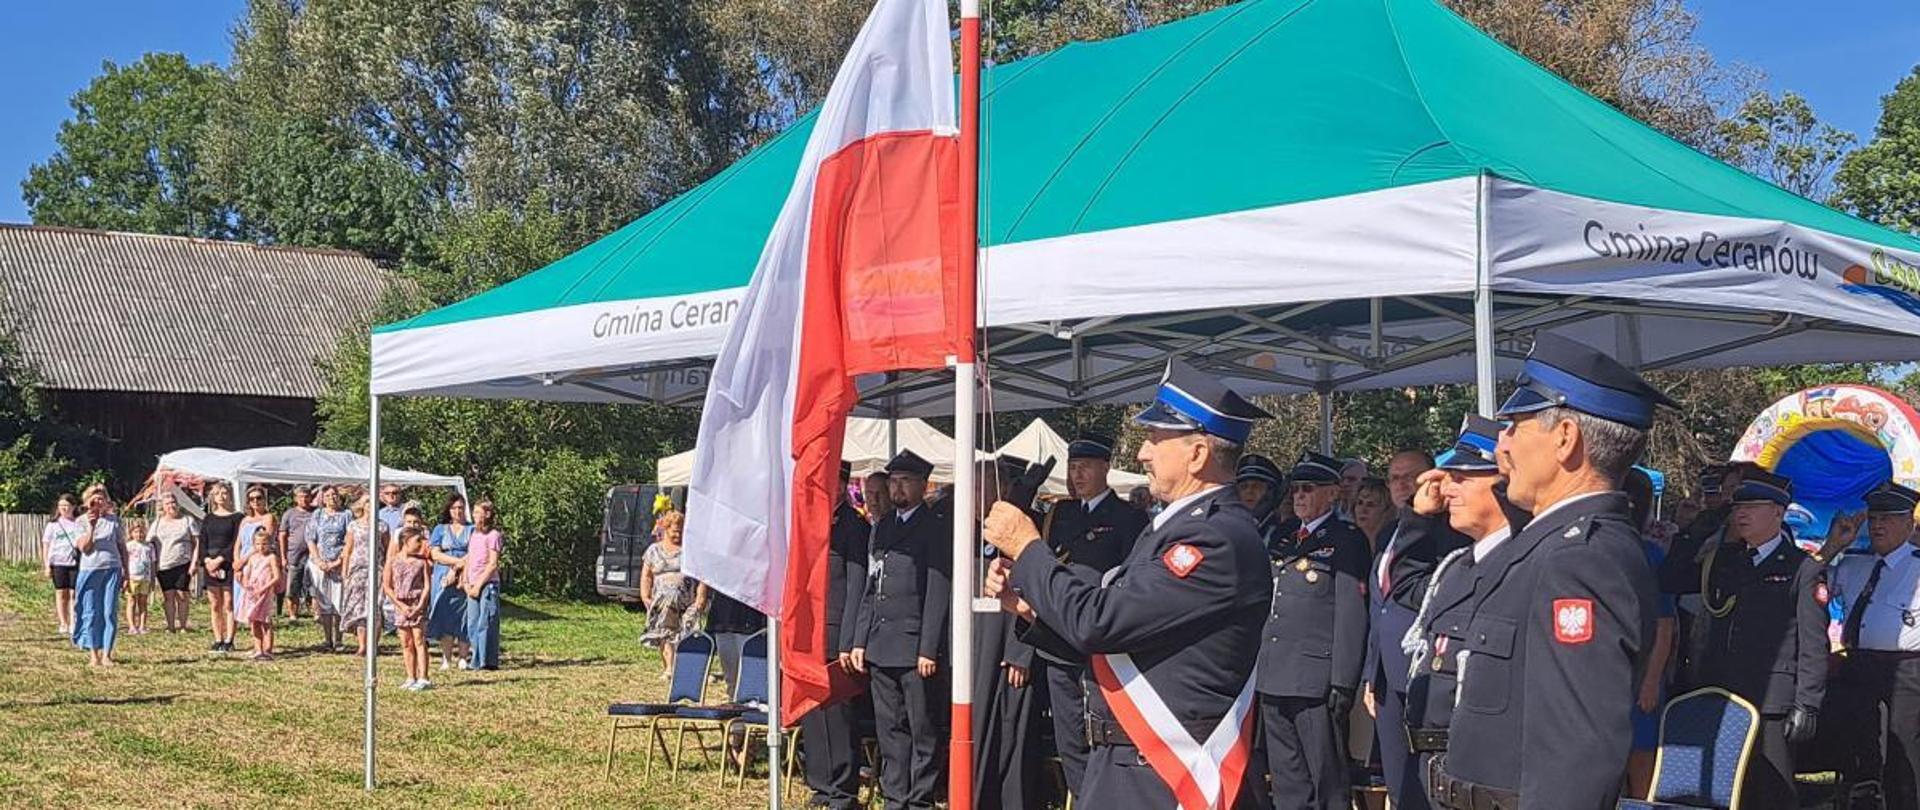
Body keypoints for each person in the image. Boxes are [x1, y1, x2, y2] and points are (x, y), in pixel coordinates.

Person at [982, 359, 1274, 809]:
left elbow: (1100, 622)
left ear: (1197, 453)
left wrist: (1028, 548)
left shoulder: (1216, 538)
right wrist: (1028, 607)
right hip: (1129, 759)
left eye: (1156, 438)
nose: (1142, 453)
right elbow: (1125, 637)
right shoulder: (1174, 528)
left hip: (1165, 766)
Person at [1431, 333, 1667, 810]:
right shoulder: (1549, 546)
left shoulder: (1581, 561)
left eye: (1515, 426)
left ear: (1565, 439)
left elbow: (1576, 753)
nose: (1502, 445)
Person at [1671, 468, 1826, 809]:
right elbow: (1672, 579)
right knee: (1723, 789)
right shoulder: (1726, 561)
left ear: (1778, 513)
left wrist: (1807, 703)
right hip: (1723, 692)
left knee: (1771, 791)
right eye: (1738, 507)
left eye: (1753, 507)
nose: (1741, 514)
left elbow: (1814, 643)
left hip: (1772, 700)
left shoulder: (1802, 568)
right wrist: (1700, 525)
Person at [1022, 432, 1150, 801]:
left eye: (1085, 467)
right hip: (1058, 640)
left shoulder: (1128, 517)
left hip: (1101, 641)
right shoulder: (1060, 514)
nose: (1077, 475)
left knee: (1107, 733)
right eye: (1072, 467)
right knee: (1069, 736)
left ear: (1105, 468)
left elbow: (1131, 577)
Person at [1403, 416, 1525, 801]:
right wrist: (1415, 520)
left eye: (1462, 478)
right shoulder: (1455, 566)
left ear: (1504, 485)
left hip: (1476, 773)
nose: (1446, 489)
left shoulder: (1523, 565)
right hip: (1426, 765)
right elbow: (1397, 586)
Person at [1258, 450, 1370, 810]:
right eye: (1295, 489)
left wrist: (1343, 680)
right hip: (1275, 670)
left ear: (1332, 493)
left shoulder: (1346, 538)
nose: (1299, 496)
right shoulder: (1285, 536)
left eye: (1308, 488)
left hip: (1315, 676)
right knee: (1288, 779)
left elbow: (1352, 615)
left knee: (1326, 779)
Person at [848, 449, 952, 810]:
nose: (897, 488)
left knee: (921, 726)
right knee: (889, 726)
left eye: (905, 481)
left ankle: (920, 798)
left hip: (912, 646)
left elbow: (938, 590)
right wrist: (861, 638)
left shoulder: (935, 527)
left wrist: (928, 647)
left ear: (923, 486)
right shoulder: (884, 526)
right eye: (893, 481)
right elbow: (871, 587)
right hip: (881, 643)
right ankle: (896, 796)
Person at [1366, 446, 1463, 810]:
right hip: (1387, 675)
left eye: (1412, 476)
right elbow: (1380, 607)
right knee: (1398, 781)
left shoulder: (1450, 529)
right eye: (1395, 478)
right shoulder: (1389, 531)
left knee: (1430, 782)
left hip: (1427, 669)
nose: (1402, 485)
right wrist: (1370, 674)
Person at [1830, 480, 1920, 808]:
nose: (1879, 525)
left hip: (1907, 670)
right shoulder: (1853, 564)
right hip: (1858, 666)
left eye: (1890, 518)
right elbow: (1809, 583)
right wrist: (1833, 547)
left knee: (1904, 753)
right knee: (1858, 749)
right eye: (1875, 518)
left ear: (1910, 523)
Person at [802, 462, 869, 810]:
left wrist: (848, 639)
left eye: (836, 483)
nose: (831, 489)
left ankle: (843, 788)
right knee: (814, 712)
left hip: (837, 632)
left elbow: (857, 584)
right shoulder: (811, 521)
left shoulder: (854, 527)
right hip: (810, 632)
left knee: (840, 717)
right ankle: (821, 784)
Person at [1621, 468, 1677, 798]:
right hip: (1610, 675)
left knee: (1641, 764)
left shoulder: (1651, 556)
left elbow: (1664, 625)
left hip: (1642, 676)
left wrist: (1652, 680)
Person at [638, 510, 707, 676]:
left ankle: (689, 669)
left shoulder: (690, 550)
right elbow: (646, 575)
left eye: (681, 531)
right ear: (666, 530)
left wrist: (701, 596)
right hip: (662, 603)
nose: (678, 534)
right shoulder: (654, 550)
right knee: (665, 632)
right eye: (675, 531)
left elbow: (702, 575)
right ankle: (670, 667)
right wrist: (645, 595)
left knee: (688, 632)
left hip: (687, 600)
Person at [71, 489, 128, 667]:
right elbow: (84, 548)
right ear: (87, 503)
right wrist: (92, 527)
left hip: (112, 568)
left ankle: (107, 654)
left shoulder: (114, 521)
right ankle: (94, 654)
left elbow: (122, 547)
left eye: (101, 499)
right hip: (90, 570)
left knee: (109, 612)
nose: (98, 503)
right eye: (93, 500)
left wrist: (127, 571)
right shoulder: (80, 522)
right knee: (91, 612)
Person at [427, 494, 474, 670]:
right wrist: (455, 563)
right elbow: (435, 554)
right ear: (449, 510)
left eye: (461, 507)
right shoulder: (440, 529)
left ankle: (463, 656)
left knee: (464, 615)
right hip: (443, 576)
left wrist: (459, 568)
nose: (458, 511)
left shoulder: (472, 529)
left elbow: (475, 551)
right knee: (443, 613)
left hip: (466, 575)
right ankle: (446, 658)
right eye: (454, 508)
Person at [386, 525, 433, 690]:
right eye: (417, 541)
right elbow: (387, 586)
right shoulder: (393, 561)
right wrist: (400, 605)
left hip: (416, 604)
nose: (421, 544)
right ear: (406, 542)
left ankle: (424, 677)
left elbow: (427, 585)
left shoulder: (422, 562)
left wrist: (420, 605)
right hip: (401, 605)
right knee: (406, 642)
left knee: (419, 640)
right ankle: (410, 676)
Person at [200, 483, 243, 654]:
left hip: (227, 563)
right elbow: (202, 541)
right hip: (210, 565)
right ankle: (218, 638)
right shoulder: (208, 518)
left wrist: (220, 559)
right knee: (215, 604)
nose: (221, 496)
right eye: (217, 493)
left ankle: (229, 639)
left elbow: (236, 542)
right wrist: (207, 561)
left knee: (229, 603)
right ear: (213, 497)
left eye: (225, 493)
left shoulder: (237, 517)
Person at [308, 486, 352, 651]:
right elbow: (311, 539)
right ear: (323, 498)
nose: (332, 498)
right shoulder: (317, 514)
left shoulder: (346, 515)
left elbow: (349, 540)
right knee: (323, 600)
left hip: (338, 563)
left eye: (334, 495)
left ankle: (339, 639)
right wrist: (318, 560)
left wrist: (338, 562)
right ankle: (328, 639)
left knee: (339, 601)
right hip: (319, 563)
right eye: (328, 495)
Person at [464, 499, 504, 670]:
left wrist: (479, 585)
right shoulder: (473, 534)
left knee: (485, 622)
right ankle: (476, 656)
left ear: (487, 514)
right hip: (471, 584)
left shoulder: (493, 535)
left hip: (487, 585)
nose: (474, 516)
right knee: (472, 622)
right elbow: (469, 559)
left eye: (478, 512)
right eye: (474, 512)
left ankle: (486, 661)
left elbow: (493, 563)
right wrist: (466, 581)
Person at [341, 494, 382, 656]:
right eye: (368, 502)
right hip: (357, 570)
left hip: (376, 569)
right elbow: (348, 549)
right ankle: (362, 645)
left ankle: (374, 645)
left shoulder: (382, 526)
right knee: (359, 608)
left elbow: (386, 549)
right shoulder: (353, 526)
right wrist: (345, 572)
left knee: (375, 607)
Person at [151, 494, 199, 633]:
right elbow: (149, 542)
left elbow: (197, 542)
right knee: (168, 596)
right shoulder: (158, 523)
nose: (171, 506)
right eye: (167, 504)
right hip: (163, 563)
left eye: (173, 502)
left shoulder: (187, 520)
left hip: (183, 562)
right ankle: (170, 626)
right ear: (163, 507)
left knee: (182, 595)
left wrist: (195, 562)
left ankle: (183, 625)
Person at [234, 488, 277, 639]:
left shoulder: (268, 518)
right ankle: (256, 644)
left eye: (258, 498)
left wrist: (244, 560)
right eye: (251, 499)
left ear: (264, 499)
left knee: (261, 609)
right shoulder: (245, 520)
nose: (255, 502)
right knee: (248, 606)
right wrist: (237, 563)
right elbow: (238, 543)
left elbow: (264, 543)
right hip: (243, 564)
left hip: (258, 563)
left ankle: (266, 645)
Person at [42, 494, 81, 636]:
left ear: (74, 507)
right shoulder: (53, 525)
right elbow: (46, 545)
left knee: (74, 593)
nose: (64, 508)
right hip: (58, 562)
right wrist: (47, 565)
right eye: (61, 505)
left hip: (75, 562)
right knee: (61, 592)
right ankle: (63, 622)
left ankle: (74, 621)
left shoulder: (78, 523)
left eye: (67, 505)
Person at [241, 528, 282, 660]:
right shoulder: (252, 558)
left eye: (264, 543)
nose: (261, 547)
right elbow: (247, 574)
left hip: (265, 593)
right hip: (253, 593)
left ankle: (268, 649)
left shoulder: (271, 558)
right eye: (258, 544)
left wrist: (264, 588)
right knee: (254, 620)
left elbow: (276, 576)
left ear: (269, 544)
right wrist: (246, 584)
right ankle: (258, 648)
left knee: (265, 620)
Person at [280, 487, 314, 620]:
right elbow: (282, 535)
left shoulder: (316, 513)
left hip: (312, 555)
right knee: (292, 586)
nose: (304, 499)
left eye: (306, 496)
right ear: (295, 498)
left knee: (312, 585)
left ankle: (314, 612)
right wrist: (283, 557)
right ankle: (293, 614)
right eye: (301, 497)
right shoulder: (289, 514)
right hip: (293, 554)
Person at [123, 518, 158, 635]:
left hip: (145, 578)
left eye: (141, 532)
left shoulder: (149, 547)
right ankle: (132, 626)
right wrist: (125, 577)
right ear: (131, 533)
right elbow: (124, 562)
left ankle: (142, 625)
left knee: (143, 602)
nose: (139, 534)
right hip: (132, 577)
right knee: (131, 601)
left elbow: (153, 563)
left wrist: (153, 579)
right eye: (136, 532)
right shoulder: (128, 546)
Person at [1352, 477, 1394, 553]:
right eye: (1360, 503)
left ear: (1386, 510)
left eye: (1370, 505)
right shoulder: (1347, 541)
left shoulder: (1394, 544)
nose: (1363, 510)